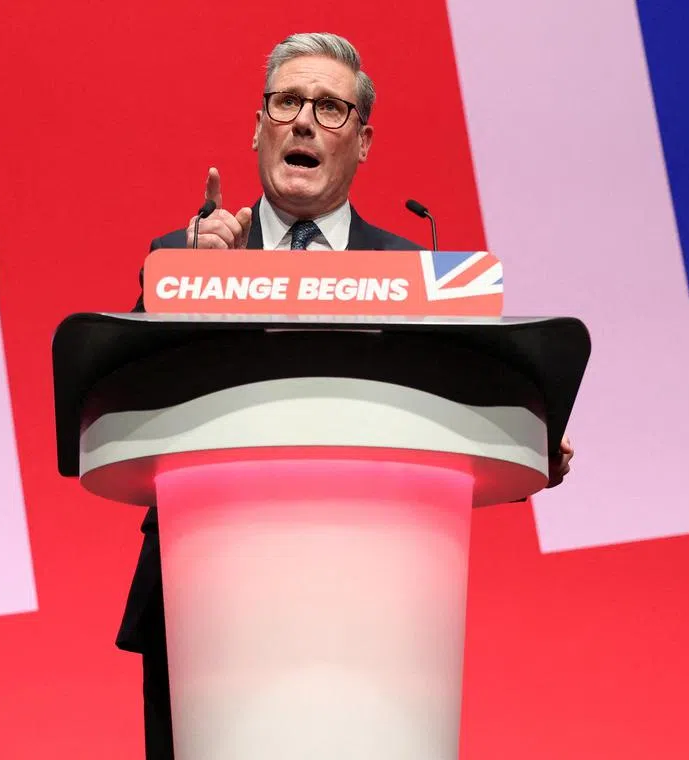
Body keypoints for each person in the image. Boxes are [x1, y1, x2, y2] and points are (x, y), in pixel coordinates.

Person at [122, 32, 575, 759]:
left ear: (362, 142)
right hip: (206, 609)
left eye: (330, 108)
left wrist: (520, 430)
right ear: (257, 128)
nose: (304, 121)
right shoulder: (187, 258)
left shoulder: (420, 278)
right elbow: (117, 398)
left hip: (378, 613)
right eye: (287, 102)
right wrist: (189, 290)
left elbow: (464, 408)